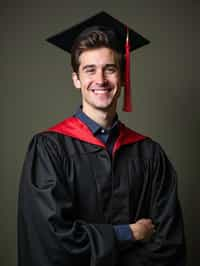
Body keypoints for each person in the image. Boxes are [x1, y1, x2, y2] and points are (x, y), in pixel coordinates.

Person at [18, 11, 186, 266]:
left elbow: (169, 242)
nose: (100, 80)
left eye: (110, 69)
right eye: (89, 70)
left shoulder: (150, 154)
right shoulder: (49, 149)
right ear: (76, 79)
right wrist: (128, 233)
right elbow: (49, 240)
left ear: (122, 77)